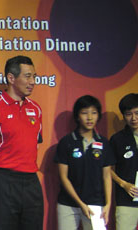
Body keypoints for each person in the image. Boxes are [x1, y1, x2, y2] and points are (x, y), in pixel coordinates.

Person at [0, 55, 43, 230]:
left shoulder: (36, 109)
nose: (32, 81)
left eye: (34, 76)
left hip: (31, 182)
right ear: (11, 78)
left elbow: (35, 145)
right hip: (2, 181)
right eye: (27, 76)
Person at [54, 95, 115, 230]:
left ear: (98, 115)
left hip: (95, 203)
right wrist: (80, 203)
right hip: (68, 204)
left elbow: (106, 176)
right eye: (84, 113)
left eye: (94, 113)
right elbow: (64, 177)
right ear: (77, 116)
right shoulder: (67, 142)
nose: (89, 117)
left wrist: (108, 204)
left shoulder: (104, 143)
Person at [110, 93, 138, 230]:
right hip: (126, 199)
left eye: (137, 113)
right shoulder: (117, 139)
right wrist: (124, 184)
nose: (134, 118)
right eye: (128, 114)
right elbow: (106, 169)